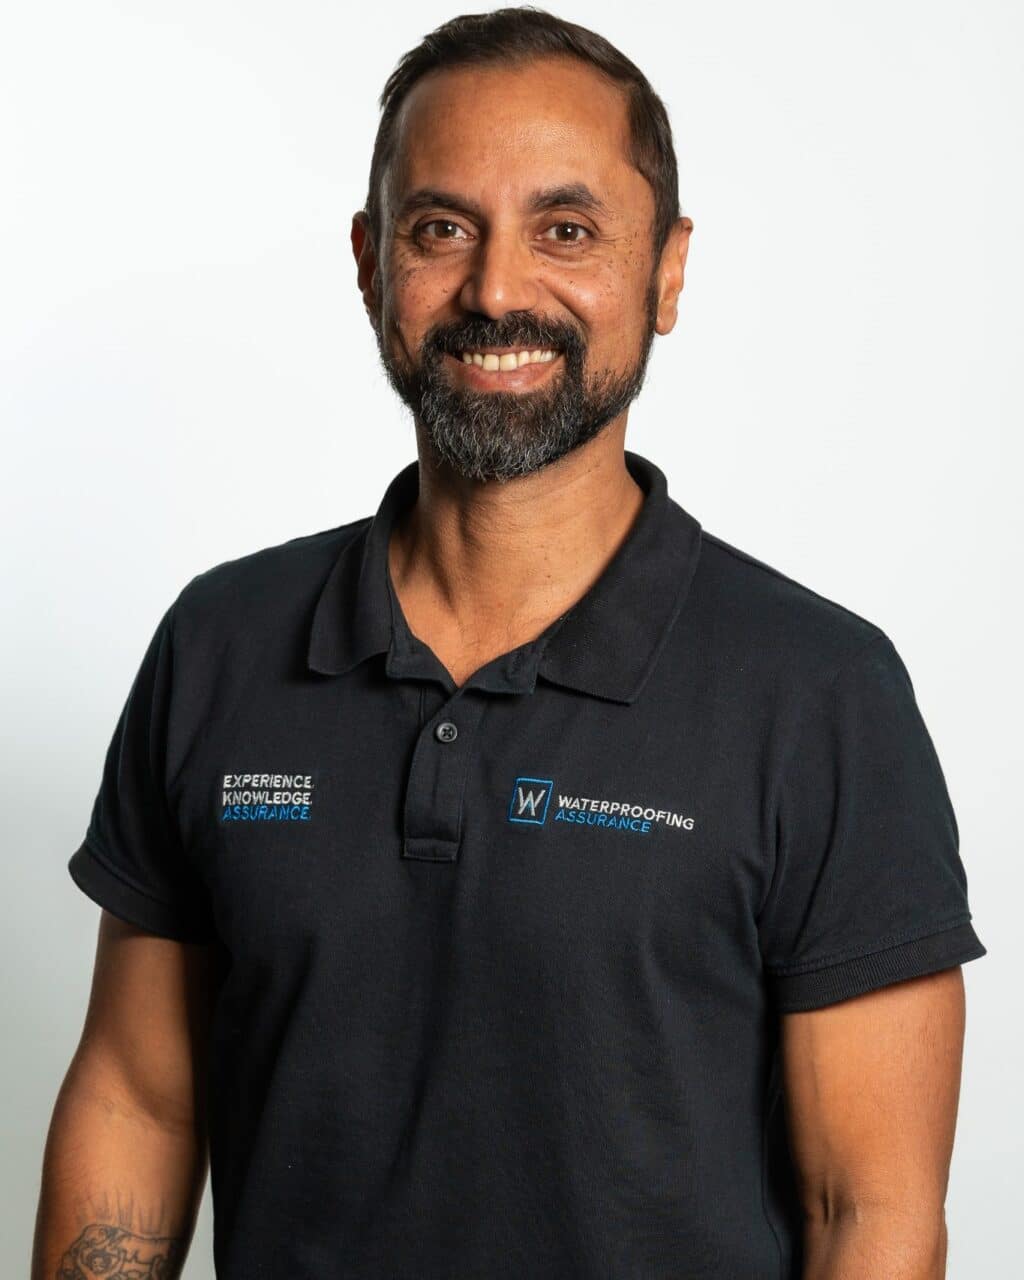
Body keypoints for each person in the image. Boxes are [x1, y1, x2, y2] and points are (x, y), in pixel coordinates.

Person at [35, 8, 986, 1278]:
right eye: (441, 229)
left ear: (668, 270)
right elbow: (138, 1102)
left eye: (567, 230)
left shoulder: (819, 692)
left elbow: (866, 1209)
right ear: (372, 262)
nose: (494, 290)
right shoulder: (220, 643)